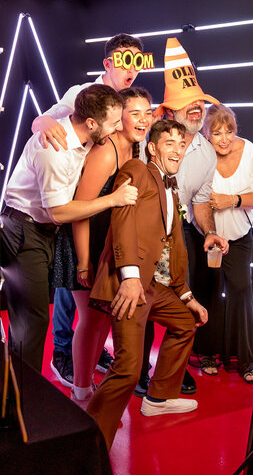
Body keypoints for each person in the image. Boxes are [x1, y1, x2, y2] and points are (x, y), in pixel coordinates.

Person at [86, 120, 208, 450]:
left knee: (186, 322)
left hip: (156, 285)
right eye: (169, 143)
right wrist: (128, 278)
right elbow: (122, 219)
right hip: (133, 284)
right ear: (153, 148)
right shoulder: (136, 169)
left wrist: (186, 295)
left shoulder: (171, 186)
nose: (177, 150)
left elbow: (170, 246)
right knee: (128, 368)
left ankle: (159, 397)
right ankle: (91, 445)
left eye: (181, 145)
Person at [31, 32, 144, 387]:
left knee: (91, 312)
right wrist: (43, 122)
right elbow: (44, 121)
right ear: (109, 62)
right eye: (125, 60)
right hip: (70, 209)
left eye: (137, 61)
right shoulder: (82, 94)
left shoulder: (128, 106)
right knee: (71, 297)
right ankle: (64, 356)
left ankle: (86, 358)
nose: (132, 68)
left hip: (96, 215)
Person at [0, 84, 138, 372]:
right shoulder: (55, 149)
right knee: (31, 322)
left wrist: (41, 119)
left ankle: (16, 396)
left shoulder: (85, 133)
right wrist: (112, 199)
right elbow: (60, 212)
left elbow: (45, 118)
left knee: (30, 321)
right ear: (91, 123)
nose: (116, 129)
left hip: (43, 231)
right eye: (113, 124)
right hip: (23, 231)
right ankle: (22, 407)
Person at [135, 37, 229, 396]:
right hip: (143, 234)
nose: (195, 109)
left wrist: (207, 232)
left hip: (179, 233)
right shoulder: (147, 142)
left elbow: (201, 201)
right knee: (140, 301)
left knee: (183, 301)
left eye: (199, 104)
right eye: (186, 105)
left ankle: (172, 369)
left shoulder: (206, 152)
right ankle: (139, 369)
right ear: (169, 112)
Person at [51, 87, 153, 404]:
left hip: (106, 244)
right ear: (118, 117)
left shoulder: (135, 149)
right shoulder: (106, 151)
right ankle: (81, 392)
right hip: (84, 243)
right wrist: (83, 261)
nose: (143, 120)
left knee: (101, 318)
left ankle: (86, 387)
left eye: (147, 113)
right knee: (91, 318)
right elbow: (79, 211)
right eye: (135, 113)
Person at [201, 103, 253, 382]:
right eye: (217, 132)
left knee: (241, 292)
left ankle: (245, 360)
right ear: (207, 135)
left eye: (228, 131)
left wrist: (231, 200)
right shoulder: (201, 155)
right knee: (209, 293)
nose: (224, 138)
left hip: (240, 238)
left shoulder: (251, 152)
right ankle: (208, 352)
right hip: (207, 239)